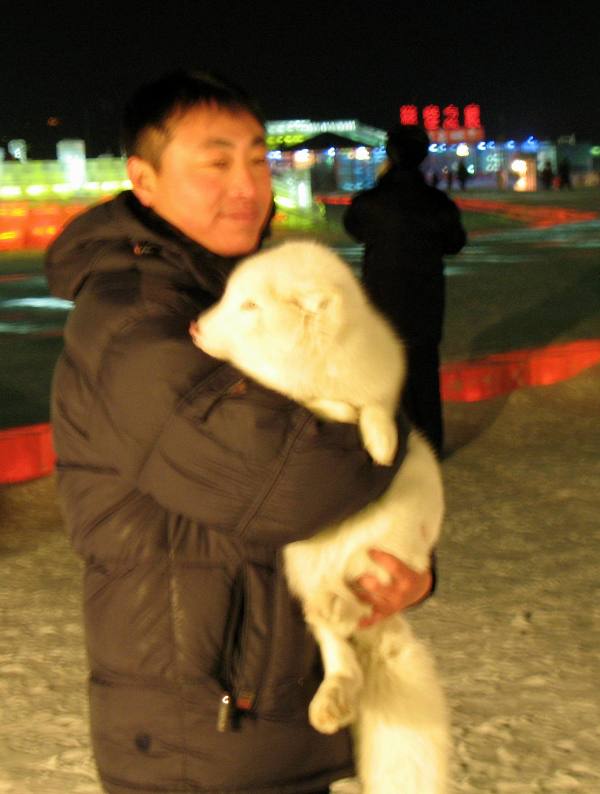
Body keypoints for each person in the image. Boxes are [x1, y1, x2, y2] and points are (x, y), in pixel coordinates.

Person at [44, 70, 434, 794]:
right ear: (144, 179)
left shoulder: (242, 292)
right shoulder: (134, 325)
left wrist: (401, 566)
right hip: (203, 737)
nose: (247, 185)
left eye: (256, 158)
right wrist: (385, 419)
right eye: (215, 162)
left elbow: (349, 437)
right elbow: (293, 483)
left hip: (276, 711)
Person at [343, 124, 467, 456]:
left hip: (382, 299)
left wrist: (383, 182)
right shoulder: (437, 203)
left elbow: (353, 228)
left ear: (390, 154)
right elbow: (454, 242)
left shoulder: (371, 202)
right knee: (424, 372)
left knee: (385, 373)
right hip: (425, 300)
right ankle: (429, 445)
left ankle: (390, 446)